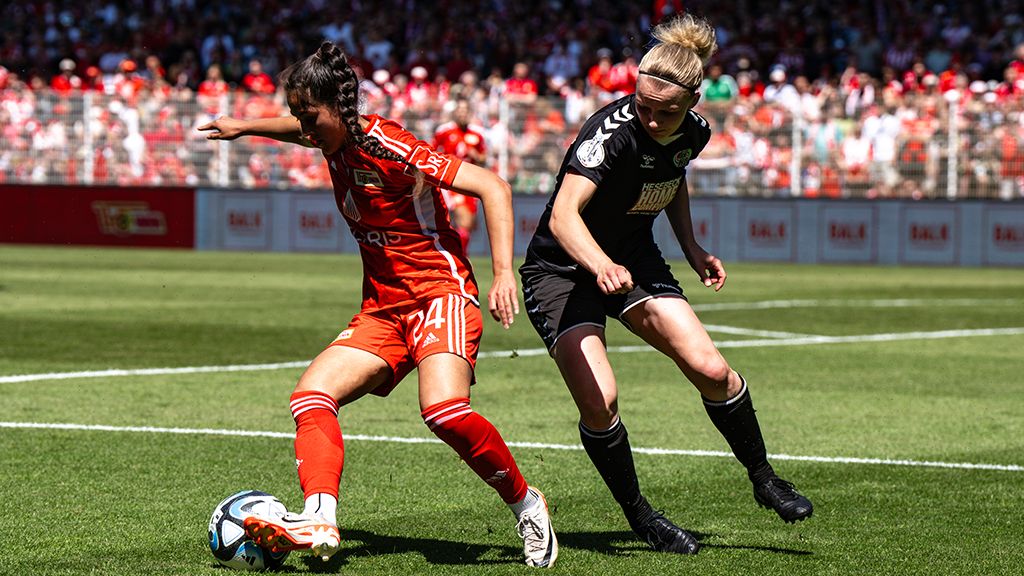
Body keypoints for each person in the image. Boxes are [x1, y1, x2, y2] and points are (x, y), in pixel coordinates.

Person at [198, 41, 557, 569]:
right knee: (310, 397)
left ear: (338, 108)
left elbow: (492, 186)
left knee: (444, 412)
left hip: (440, 294)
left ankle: (527, 504)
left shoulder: (389, 143)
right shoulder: (328, 137)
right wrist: (244, 126)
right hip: (383, 309)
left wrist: (503, 273)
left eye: (309, 116)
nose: (303, 129)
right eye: (299, 117)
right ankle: (319, 517)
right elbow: (294, 128)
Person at [518, 13, 812, 555]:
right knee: (601, 401)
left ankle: (764, 477)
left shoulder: (694, 131)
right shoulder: (608, 135)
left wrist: (691, 246)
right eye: (643, 106)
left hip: (633, 258)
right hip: (561, 271)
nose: (651, 119)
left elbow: (671, 177)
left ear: (693, 102)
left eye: (666, 111)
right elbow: (562, 216)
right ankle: (642, 517)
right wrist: (599, 264)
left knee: (712, 370)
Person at [433, 98, 487, 254]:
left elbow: (483, 158)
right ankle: (459, 257)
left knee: (467, 225)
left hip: (469, 182)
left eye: (465, 110)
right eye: (460, 110)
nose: (463, 113)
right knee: (460, 219)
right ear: (455, 113)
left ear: (469, 113)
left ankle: (461, 255)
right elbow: (432, 152)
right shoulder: (444, 131)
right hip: (450, 182)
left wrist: (476, 155)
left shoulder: (477, 134)